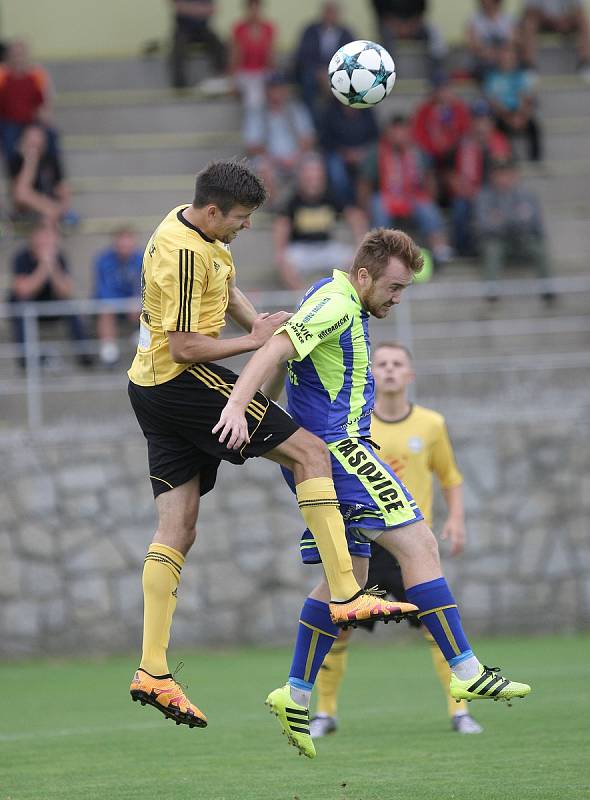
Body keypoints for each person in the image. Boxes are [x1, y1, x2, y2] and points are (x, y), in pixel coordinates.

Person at [213, 227, 531, 759]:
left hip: (329, 456)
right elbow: (276, 348)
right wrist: (237, 406)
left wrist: (265, 419)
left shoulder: (332, 296)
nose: (397, 297)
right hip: (343, 453)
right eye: (395, 287)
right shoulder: (337, 303)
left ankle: (293, 691)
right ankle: (467, 671)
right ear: (364, 275)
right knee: (420, 546)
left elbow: (288, 360)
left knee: (350, 581)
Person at [127, 160, 412, 731]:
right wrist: (251, 344)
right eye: (240, 218)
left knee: (177, 528)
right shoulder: (181, 255)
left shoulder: (196, 231)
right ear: (213, 211)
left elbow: (226, 290)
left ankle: (153, 671)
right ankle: (347, 592)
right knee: (311, 452)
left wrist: (263, 326)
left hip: (148, 387)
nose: (245, 227)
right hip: (185, 382)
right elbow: (184, 347)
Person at [310, 341, 483, 738]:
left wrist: (456, 520)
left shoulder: (431, 424)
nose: (388, 369)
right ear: (371, 374)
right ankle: (325, 712)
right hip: (365, 543)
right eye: (381, 363)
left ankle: (461, 712)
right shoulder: (353, 425)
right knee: (340, 625)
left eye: (397, 364)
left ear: (410, 374)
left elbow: (450, 478)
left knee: (435, 627)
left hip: (410, 548)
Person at [358, 115, 452, 266]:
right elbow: (365, 183)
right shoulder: (377, 152)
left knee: (428, 208)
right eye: (396, 131)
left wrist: (429, 198)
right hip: (387, 196)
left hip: (412, 196)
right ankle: (381, 253)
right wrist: (365, 208)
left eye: (403, 131)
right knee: (378, 205)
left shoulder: (418, 152)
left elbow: (429, 177)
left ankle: (440, 248)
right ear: (389, 132)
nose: (400, 135)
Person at [274, 153, 366, 290]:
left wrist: (360, 244)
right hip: (301, 250)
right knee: (285, 262)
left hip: (327, 247)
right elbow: (282, 224)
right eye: (309, 178)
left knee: (356, 261)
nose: (313, 182)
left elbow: (356, 216)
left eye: (317, 177)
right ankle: (303, 300)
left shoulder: (331, 196)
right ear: (301, 178)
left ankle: (342, 297)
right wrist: (280, 251)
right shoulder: (293, 200)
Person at [7, 223, 91, 369]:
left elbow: (65, 291)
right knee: (22, 307)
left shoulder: (60, 258)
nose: (46, 241)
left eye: (49, 237)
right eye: (42, 236)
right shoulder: (21, 257)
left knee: (71, 307)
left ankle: (84, 354)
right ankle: (25, 358)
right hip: (28, 307)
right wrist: (44, 266)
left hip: (51, 306)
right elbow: (23, 290)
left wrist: (52, 267)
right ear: (33, 238)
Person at [474, 156, 554, 302]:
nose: (504, 178)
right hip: (499, 241)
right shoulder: (484, 196)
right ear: (492, 176)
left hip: (522, 239)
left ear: (514, 175)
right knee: (492, 249)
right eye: (499, 174)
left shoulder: (527, 195)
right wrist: (516, 219)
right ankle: (492, 290)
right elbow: (484, 226)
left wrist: (501, 219)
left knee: (540, 247)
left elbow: (535, 223)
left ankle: (547, 288)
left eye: (507, 173)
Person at [450, 98, 511, 255]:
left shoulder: (499, 142)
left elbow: (504, 173)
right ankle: (463, 250)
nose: (481, 124)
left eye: (485, 119)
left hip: (493, 193)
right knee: (459, 207)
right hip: (469, 192)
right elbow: (452, 172)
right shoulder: (463, 142)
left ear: (491, 122)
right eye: (477, 119)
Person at [243, 71, 315, 201]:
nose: (276, 92)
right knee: (262, 167)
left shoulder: (297, 109)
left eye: (279, 88)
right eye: (272, 89)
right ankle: (276, 210)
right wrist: (276, 160)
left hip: (296, 158)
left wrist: (295, 157)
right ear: (266, 91)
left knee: (313, 165)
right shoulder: (257, 112)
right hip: (270, 160)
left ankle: (308, 207)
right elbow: (252, 146)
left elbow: (309, 139)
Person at [411, 76, 472, 205]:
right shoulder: (424, 110)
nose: (442, 93)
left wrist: (451, 148)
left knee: (462, 157)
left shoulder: (459, 108)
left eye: (445, 89)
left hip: (453, 152)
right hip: (431, 153)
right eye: (439, 90)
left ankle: (459, 198)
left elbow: (465, 132)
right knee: (424, 160)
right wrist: (434, 149)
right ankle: (431, 203)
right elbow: (418, 135)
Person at [292, 1, 355, 123]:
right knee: (307, 82)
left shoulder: (346, 33)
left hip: (338, 73)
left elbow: (353, 56)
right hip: (314, 72)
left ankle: (339, 124)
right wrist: (319, 72)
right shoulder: (310, 30)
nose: (330, 15)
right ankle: (310, 122)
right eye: (328, 12)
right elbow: (303, 55)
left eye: (333, 12)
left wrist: (332, 72)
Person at [93, 227, 143, 366]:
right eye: (121, 245)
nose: (125, 249)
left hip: (134, 304)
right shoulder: (104, 260)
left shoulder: (142, 258)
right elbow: (103, 288)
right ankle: (109, 351)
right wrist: (120, 303)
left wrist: (137, 300)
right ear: (115, 244)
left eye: (128, 245)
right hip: (112, 303)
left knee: (144, 305)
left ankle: (140, 336)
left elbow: (146, 285)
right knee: (105, 310)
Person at [484, 42, 542, 161]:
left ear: (515, 59)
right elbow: (492, 101)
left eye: (510, 57)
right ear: (499, 59)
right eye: (504, 57)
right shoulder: (492, 77)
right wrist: (507, 117)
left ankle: (535, 159)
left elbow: (529, 99)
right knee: (498, 127)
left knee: (534, 126)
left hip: (520, 112)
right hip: (502, 113)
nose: (507, 60)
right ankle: (507, 158)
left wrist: (522, 116)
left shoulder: (523, 76)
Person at [0, 39, 56, 163]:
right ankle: (16, 176)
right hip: (8, 122)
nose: (18, 58)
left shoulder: (37, 74)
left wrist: (42, 120)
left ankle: (56, 178)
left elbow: (46, 102)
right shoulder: (2, 75)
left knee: (51, 135)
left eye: (21, 54)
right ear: (8, 57)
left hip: (32, 121)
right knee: (10, 142)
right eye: (15, 55)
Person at [8, 123, 75, 225]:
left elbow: (62, 187)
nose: (34, 143)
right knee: (22, 193)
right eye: (30, 140)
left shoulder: (51, 159)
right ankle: (52, 213)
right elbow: (20, 194)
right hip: (28, 209)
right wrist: (30, 161)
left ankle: (54, 215)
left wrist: (62, 206)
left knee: (63, 193)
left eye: (37, 139)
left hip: (49, 204)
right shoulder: (17, 161)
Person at [318, 98, 379, 207]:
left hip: (364, 153)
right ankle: (344, 207)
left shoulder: (367, 110)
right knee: (337, 174)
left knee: (368, 172)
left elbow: (375, 137)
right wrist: (344, 153)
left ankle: (363, 209)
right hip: (338, 153)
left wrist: (363, 152)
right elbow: (325, 140)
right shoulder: (331, 110)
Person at [371, 0, 447, 83]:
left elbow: (421, 8)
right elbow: (380, 11)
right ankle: (385, 79)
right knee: (384, 40)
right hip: (390, 22)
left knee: (433, 33)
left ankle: (439, 82)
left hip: (413, 22)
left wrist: (411, 24)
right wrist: (395, 24)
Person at [521, 0, 590, 81]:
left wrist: (565, 21)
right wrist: (551, 21)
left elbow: (579, 10)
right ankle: (529, 66)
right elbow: (529, 11)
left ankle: (585, 63)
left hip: (566, 22)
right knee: (529, 23)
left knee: (584, 21)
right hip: (544, 22)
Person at [168, 0, 227, 89]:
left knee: (219, 44)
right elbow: (178, 7)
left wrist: (190, 9)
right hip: (183, 29)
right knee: (178, 51)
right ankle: (180, 86)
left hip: (202, 29)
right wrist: (201, 10)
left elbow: (214, 9)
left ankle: (221, 78)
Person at [230, 0, 275, 113]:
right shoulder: (239, 28)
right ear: (247, 10)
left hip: (262, 71)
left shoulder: (268, 28)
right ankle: (254, 123)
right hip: (245, 72)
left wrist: (273, 79)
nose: (254, 12)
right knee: (253, 92)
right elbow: (235, 56)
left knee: (269, 89)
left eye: (257, 9)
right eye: (251, 9)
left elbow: (271, 56)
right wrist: (233, 79)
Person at [466, 0, 517, 82]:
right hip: (483, 61)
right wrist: (490, 54)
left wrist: (501, 55)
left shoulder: (508, 19)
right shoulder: (473, 20)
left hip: (503, 59)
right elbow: (474, 46)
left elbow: (511, 43)